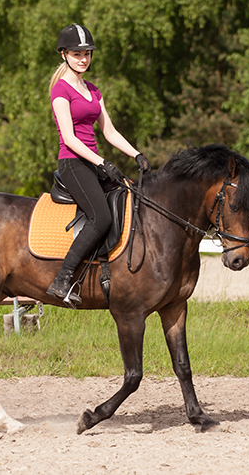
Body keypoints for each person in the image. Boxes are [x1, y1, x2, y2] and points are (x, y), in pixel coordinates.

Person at [47, 23, 151, 305]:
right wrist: (102, 162)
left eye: (87, 53)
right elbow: (69, 138)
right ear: (64, 55)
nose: (83, 59)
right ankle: (62, 280)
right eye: (77, 53)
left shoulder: (92, 90)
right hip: (73, 163)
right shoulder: (60, 90)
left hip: (92, 163)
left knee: (130, 198)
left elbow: (110, 132)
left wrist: (136, 155)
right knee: (102, 217)